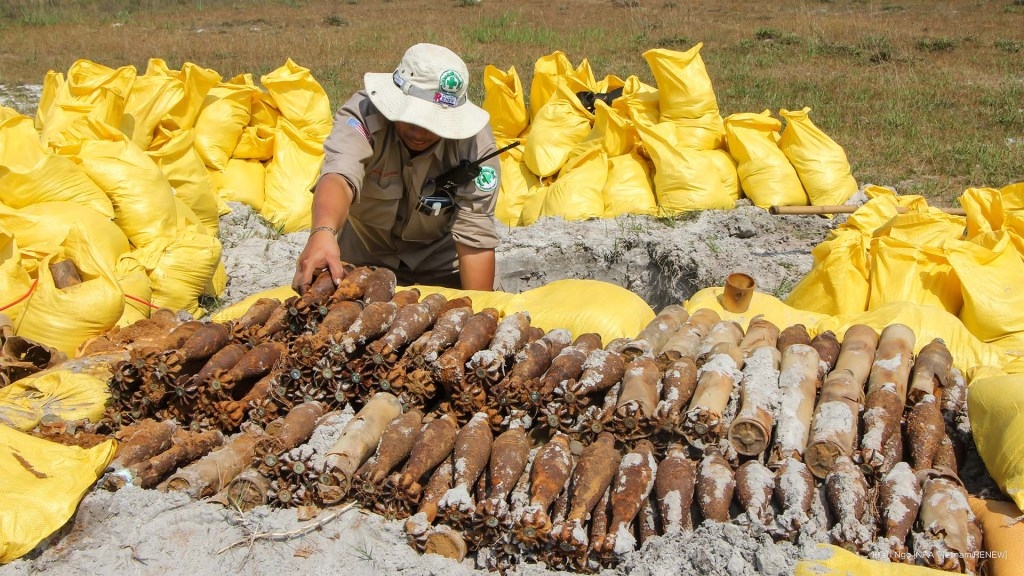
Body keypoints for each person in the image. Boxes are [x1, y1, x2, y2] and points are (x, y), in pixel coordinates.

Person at [292, 43, 501, 294]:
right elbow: (339, 175)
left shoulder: (476, 146)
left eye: (434, 124)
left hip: (444, 269)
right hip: (364, 262)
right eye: (413, 119)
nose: (420, 132)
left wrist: (478, 309)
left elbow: (474, 236)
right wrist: (322, 233)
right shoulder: (362, 115)